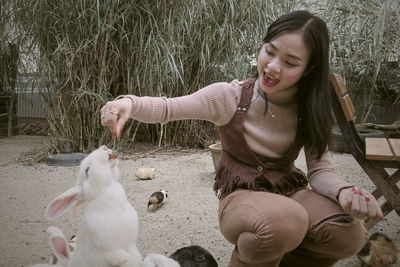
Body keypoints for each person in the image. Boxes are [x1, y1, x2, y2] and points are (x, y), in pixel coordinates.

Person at [100, 10, 383, 267]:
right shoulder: (231, 97)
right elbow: (168, 107)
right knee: (286, 221)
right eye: (269, 52)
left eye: (290, 62)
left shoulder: (309, 109)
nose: (272, 67)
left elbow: (320, 171)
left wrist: (343, 191)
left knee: (349, 233)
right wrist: (128, 103)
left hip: (287, 192)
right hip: (241, 199)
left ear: (308, 69)